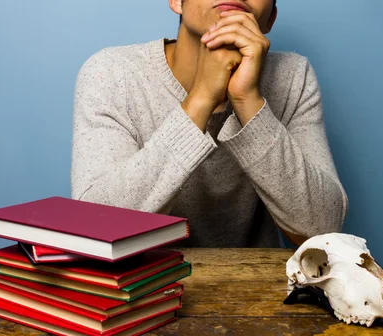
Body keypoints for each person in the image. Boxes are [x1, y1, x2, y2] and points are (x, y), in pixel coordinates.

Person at [71, 0, 348, 247]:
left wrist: (248, 100)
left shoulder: (292, 76)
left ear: (270, 19)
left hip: (259, 291)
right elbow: (95, 225)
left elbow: (323, 228)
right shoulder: (111, 72)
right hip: (145, 291)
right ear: (177, 2)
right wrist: (201, 99)